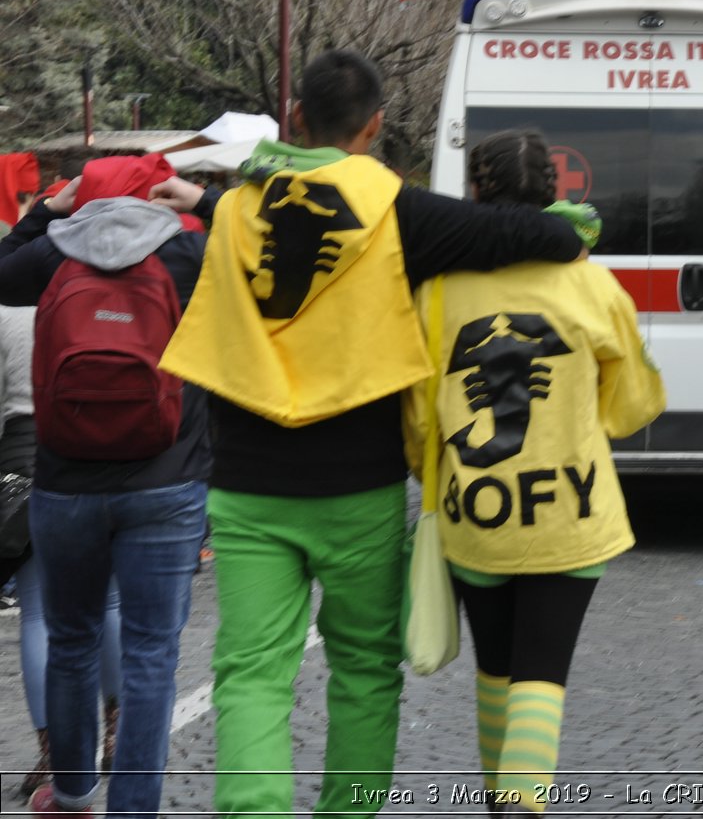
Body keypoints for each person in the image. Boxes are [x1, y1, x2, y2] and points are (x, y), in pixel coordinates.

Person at [153, 50, 595, 819]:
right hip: (359, 485)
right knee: (363, 669)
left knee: (251, 670)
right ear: (376, 126)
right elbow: (539, 237)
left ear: (295, 117)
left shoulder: (232, 209)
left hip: (248, 484)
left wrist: (204, 193)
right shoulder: (401, 211)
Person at [404, 129, 664, 813]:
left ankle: (502, 803)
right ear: (556, 191)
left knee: (496, 669)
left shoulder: (436, 288)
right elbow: (632, 402)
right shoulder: (590, 281)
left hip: (475, 513)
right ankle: (522, 804)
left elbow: (420, 418)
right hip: (569, 513)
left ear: (475, 192)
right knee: (541, 675)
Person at [0, 154, 212, 817]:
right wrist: (202, 201)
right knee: (151, 653)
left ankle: (70, 795)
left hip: (64, 482)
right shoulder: (188, 253)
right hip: (166, 481)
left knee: (71, 640)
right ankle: (135, 808)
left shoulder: (54, 255)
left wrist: (45, 212)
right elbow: (265, 246)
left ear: (82, 194)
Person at [3, 302, 125, 800]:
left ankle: (53, 754)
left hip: (23, 453)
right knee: (111, 601)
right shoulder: (91, 298)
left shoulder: (6, 315)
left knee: (39, 615)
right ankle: (118, 731)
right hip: (98, 444)